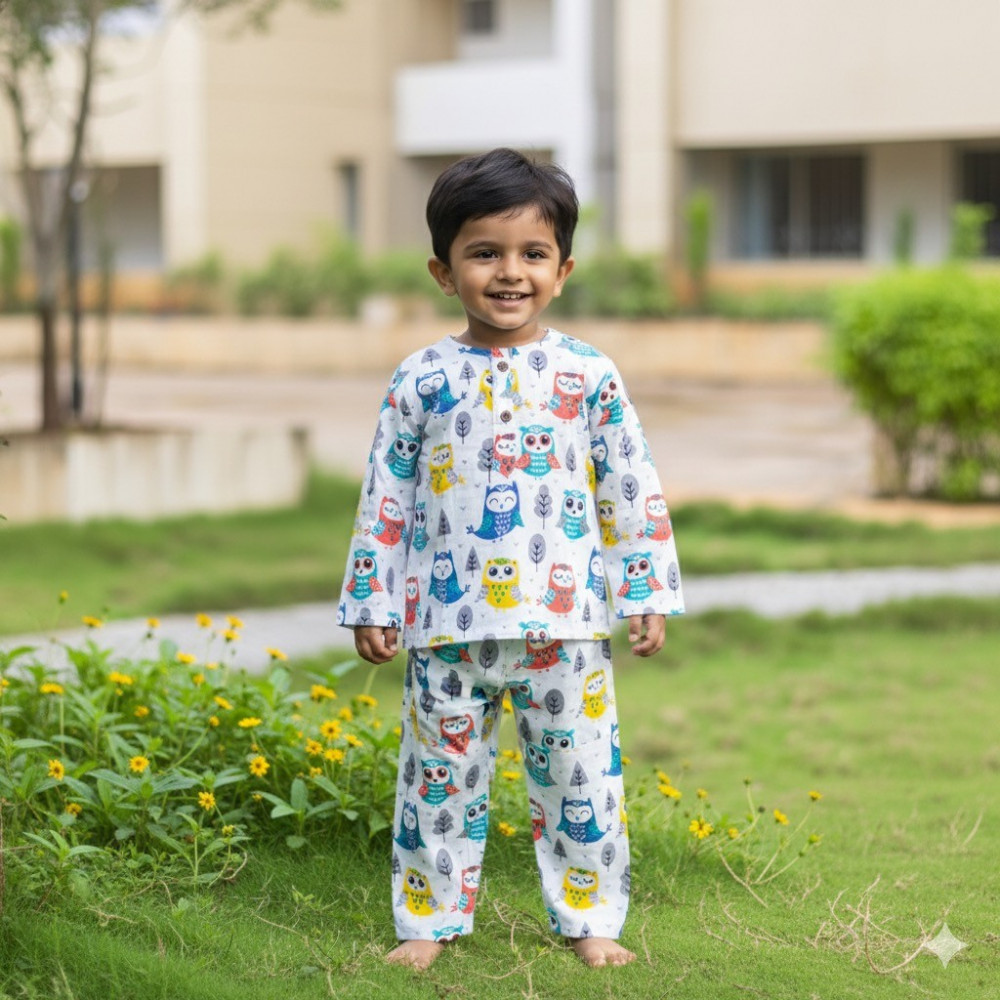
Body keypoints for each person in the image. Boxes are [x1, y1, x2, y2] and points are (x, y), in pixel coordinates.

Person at [337, 147, 684, 970]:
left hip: (566, 630)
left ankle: (591, 919)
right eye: (484, 252)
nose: (509, 272)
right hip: (444, 628)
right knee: (436, 780)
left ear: (562, 271)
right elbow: (386, 496)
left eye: (532, 253)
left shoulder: (587, 374)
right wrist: (373, 600)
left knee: (580, 781)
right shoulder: (420, 380)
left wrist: (644, 588)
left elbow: (628, 483)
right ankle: (427, 923)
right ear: (443, 270)